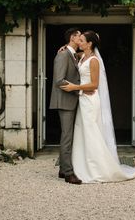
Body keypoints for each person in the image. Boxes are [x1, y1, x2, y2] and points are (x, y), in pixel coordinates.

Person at [60, 30, 135, 183]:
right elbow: (72, 55)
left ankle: (97, 168)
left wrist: (74, 87)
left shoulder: (94, 60)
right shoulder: (83, 56)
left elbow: (94, 85)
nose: (79, 42)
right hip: (83, 100)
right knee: (83, 133)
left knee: (92, 133)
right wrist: (64, 48)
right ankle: (81, 166)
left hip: (90, 101)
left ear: (89, 44)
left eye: (82, 40)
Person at [49, 27, 83, 184]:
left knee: (68, 136)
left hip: (71, 100)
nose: (81, 38)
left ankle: (63, 169)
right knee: (67, 137)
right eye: (79, 36)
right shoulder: (63, 55)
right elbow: (59, 80)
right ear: (72, 37)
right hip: (65, 101)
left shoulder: (74, 54)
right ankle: (69, 173)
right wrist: (79, 89)